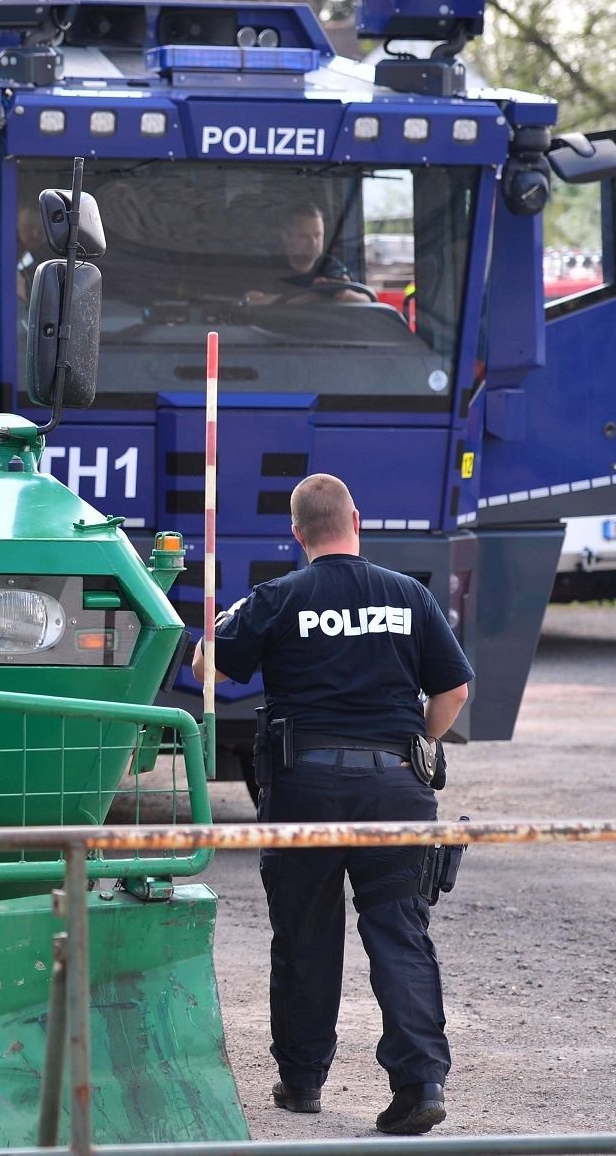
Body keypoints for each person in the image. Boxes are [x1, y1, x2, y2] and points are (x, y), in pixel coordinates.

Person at [192, 473, 471, 1136]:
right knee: (400, 931)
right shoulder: (408, 596)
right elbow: (454, 690)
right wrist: (418, 743)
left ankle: (303, 1080)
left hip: (305, 788)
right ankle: (420, 1082)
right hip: (395, 788)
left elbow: (209, 668)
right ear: (356, 517)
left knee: (306, 934)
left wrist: (216, 623)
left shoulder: (279, 598)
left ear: (297, 533)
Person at [247, 204, 367, 305]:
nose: (313, 243)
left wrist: (343, 294)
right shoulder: (269, 267)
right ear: (286, 237)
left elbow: (367, 299)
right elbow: (252, 300)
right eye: (304, 236)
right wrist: (307, 297)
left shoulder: (331, 266)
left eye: (317, 235)